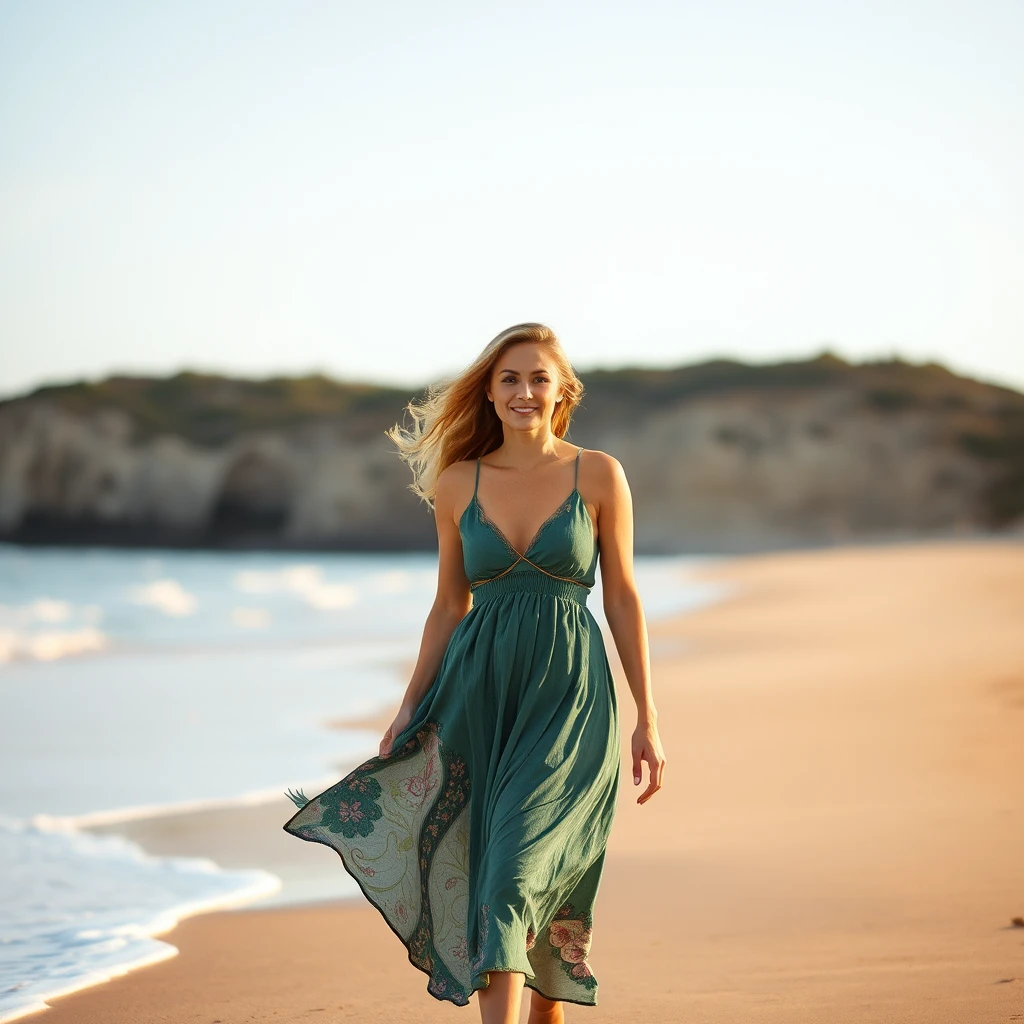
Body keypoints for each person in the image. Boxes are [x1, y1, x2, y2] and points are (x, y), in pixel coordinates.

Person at [283, 323, 665, 1024]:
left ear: (562, 390)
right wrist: (407, 707)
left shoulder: (600, 473)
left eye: (538, 378)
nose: (524, 391)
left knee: (521, 873)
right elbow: (448, 606)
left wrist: (650, 719)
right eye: (509, 379)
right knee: (497, 878)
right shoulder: (460, 482)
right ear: (489, 393)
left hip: (571, 699)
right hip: (477, 697)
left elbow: (622, 597)